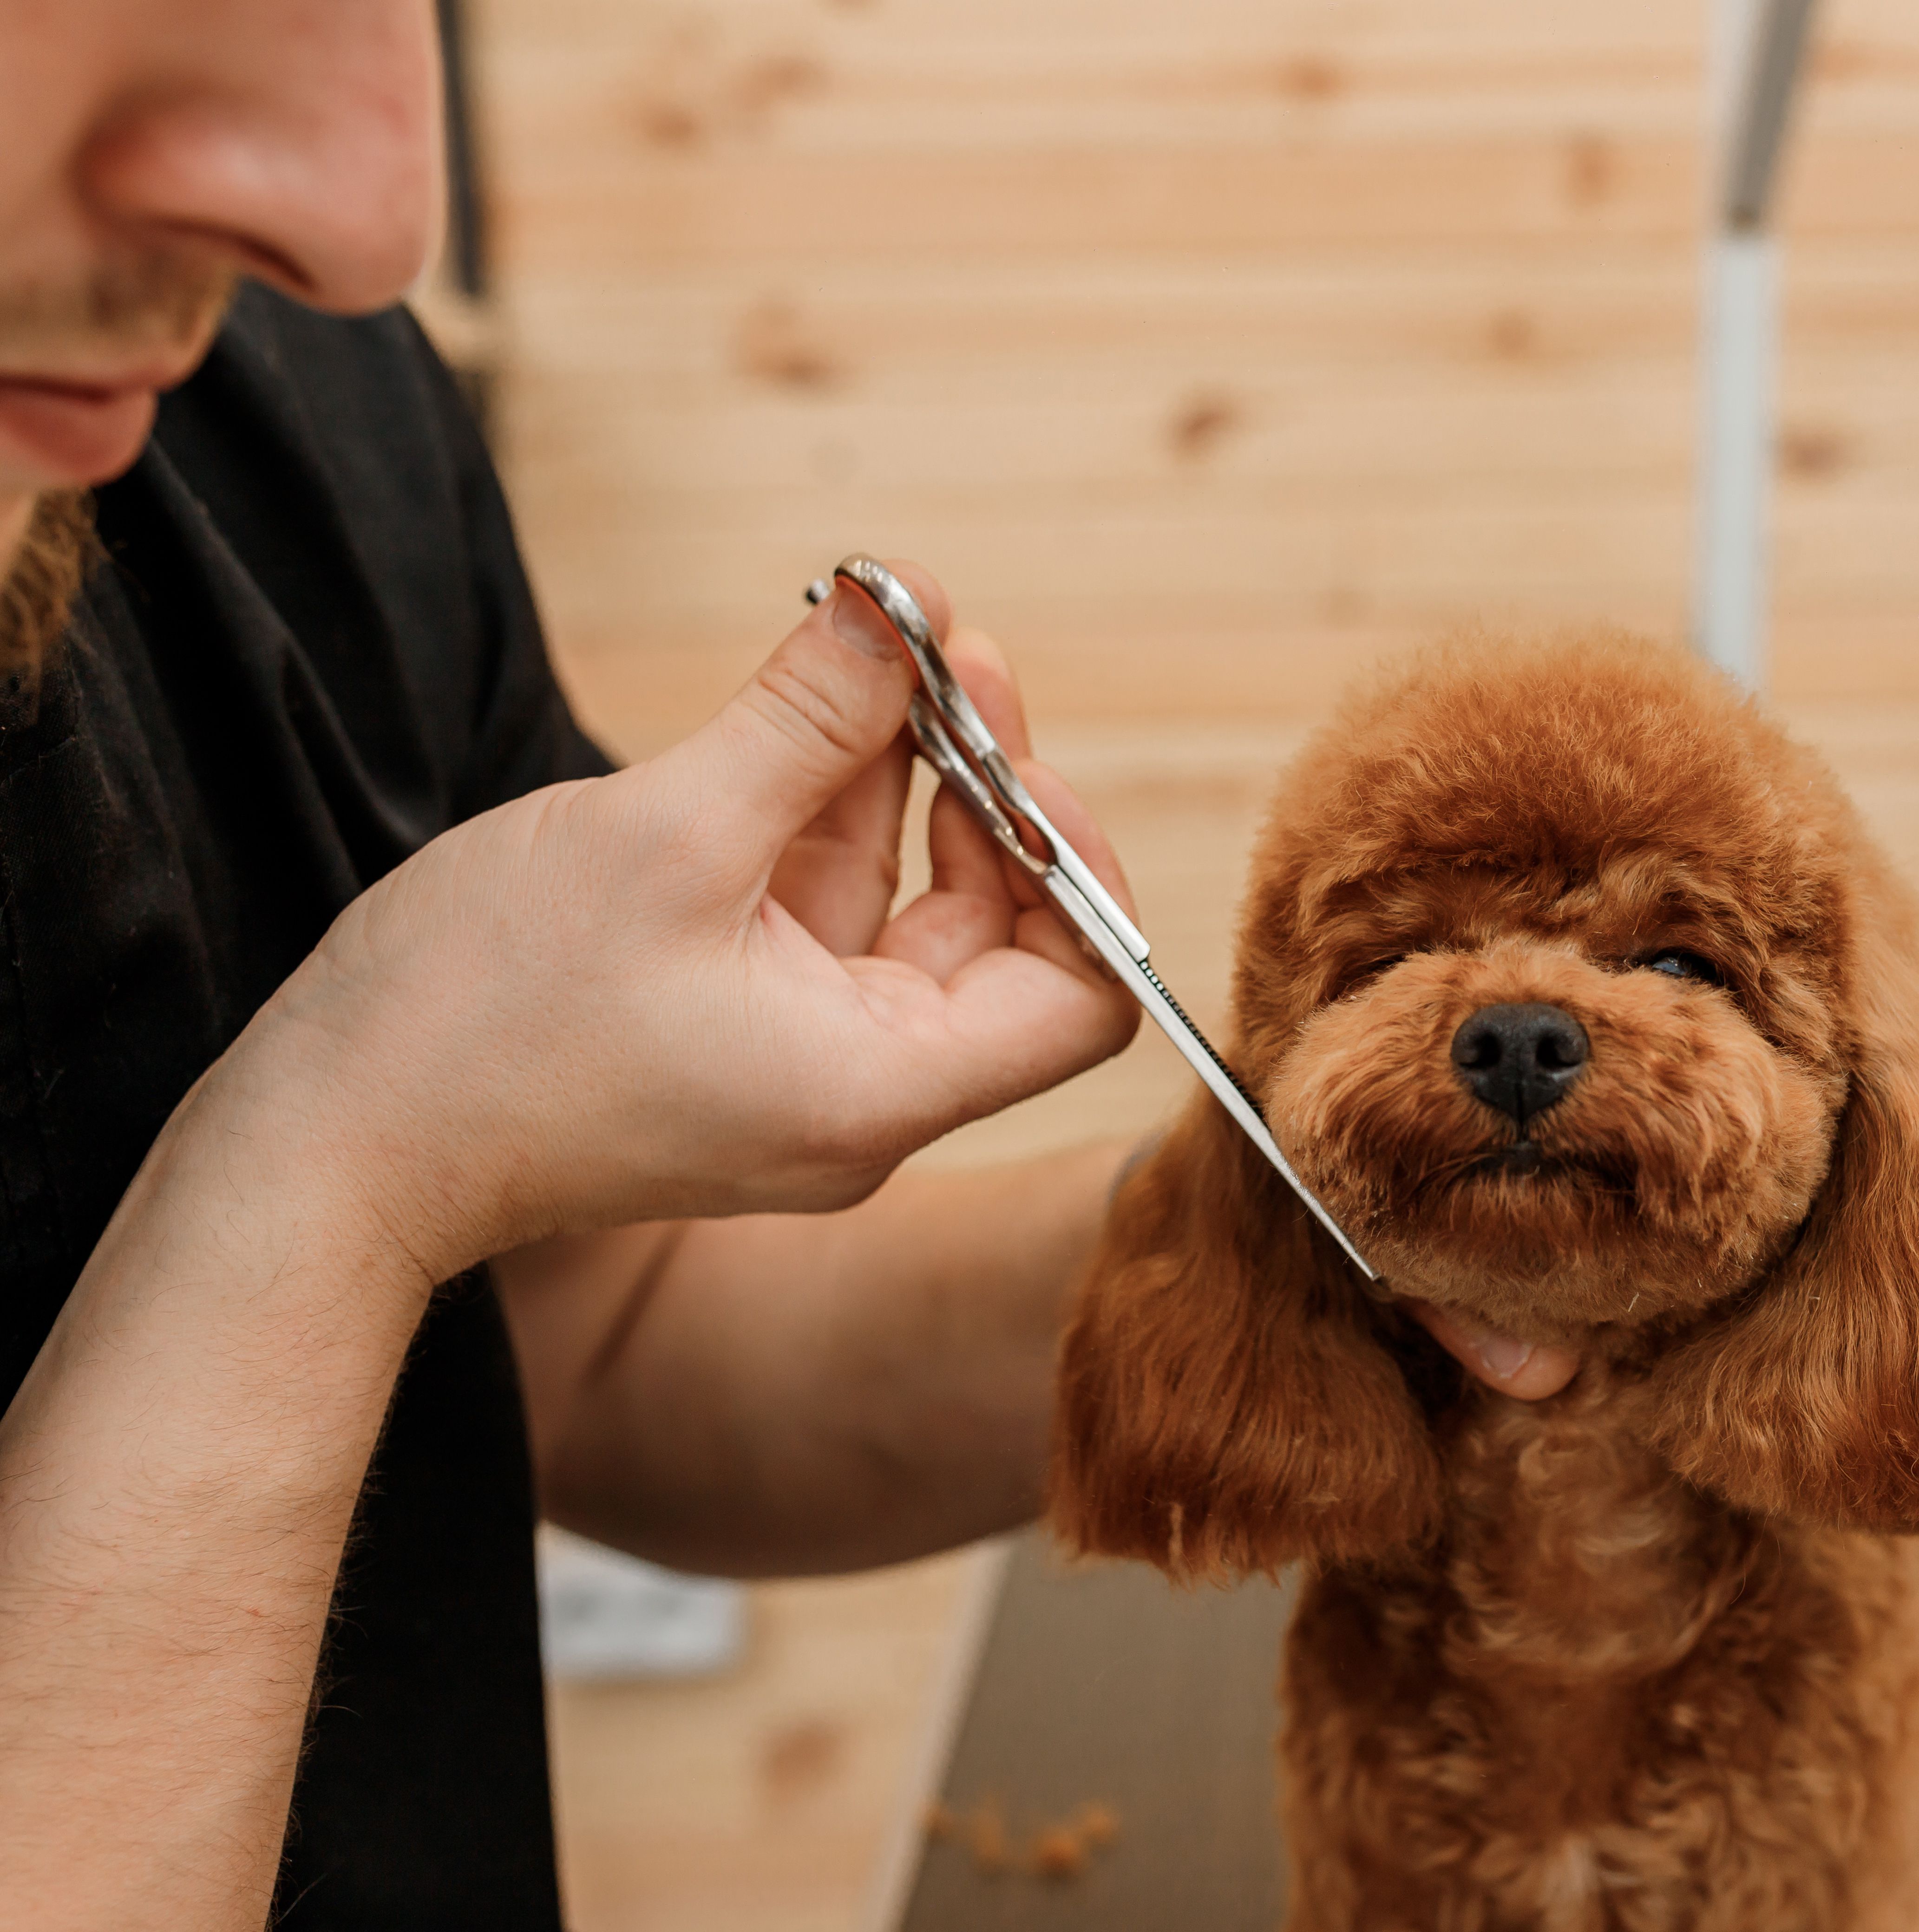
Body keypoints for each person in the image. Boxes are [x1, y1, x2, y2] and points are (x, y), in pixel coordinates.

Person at [0, 5, 1577, 1925]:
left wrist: (1311, 1246)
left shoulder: (282, 410)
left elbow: (600, 1332)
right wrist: (338, 1150)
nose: (365, 221)